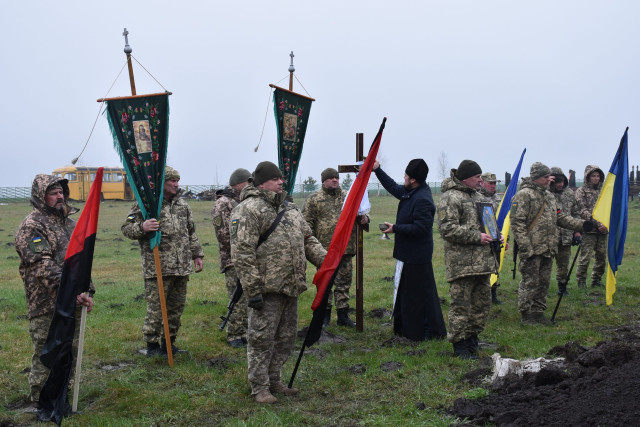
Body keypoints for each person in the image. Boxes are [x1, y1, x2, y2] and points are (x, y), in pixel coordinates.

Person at [230, 161, 326, 404]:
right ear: (262, 183)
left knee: (286, 338)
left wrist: (326, 261)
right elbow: (242, 252)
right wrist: (252, 289)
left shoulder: (290, 208)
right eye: (275, 179)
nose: (281, 182)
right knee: (261, 339)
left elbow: (307, 238)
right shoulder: (248, 210)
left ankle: (275, 380)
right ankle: (259, 387)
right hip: (266, 288)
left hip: (290, 285)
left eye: (281, 178)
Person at [15, 174, 94, 406]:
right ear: (41, 197)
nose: (59, 196)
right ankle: (43, 403)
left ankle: (63, 396)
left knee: (70, 349)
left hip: (73, 298)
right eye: (53, 193)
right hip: (45, 302)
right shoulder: (32, 226)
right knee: (47, 351)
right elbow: (42, 265)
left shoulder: (70, 224)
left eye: (61, 192)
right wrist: (71, 290)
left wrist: (87, 290)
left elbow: (82, 261)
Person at [122, 166, 204, 356]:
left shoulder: (183, 205)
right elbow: (126, 228)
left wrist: (197, 255)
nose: (176, 184)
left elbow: (190, 232)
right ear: (161, 183)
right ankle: (152, 345)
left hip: (181, 267)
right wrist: (142, 227)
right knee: (156, 308)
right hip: (158, 267)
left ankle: (169, 343)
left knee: (176, 307)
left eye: (177, 180)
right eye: (172, 181)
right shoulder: (146, 205)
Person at [373, 159, 447, 342]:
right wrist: (377, 170)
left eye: (406, 175)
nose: (404, 178)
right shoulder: (411, 192)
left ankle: (421, 333)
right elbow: (393, 188)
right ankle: (405, 329)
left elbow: (421, 228)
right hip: (408, 255)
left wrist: (395, 228)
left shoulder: (423, 199)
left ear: (413, 179)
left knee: (417, 298)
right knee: (407, 295)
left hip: (417, 257)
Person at [510, 162, 589, 326]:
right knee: (530, 282)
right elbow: (517, 224)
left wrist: (582, 225)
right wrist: (525, 247)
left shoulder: (549, 196)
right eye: (546, 177)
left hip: (548, 247)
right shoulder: (523, 195)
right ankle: (526, 315)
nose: (549, 180)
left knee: (544, 282)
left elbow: (560, 217)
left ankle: (538, 312)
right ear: (536, 177)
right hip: (532, 248)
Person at [437, 160, 499, 359]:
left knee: (482, 304)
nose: (481, 180)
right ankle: (459, 345)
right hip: (461, 263)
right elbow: (447, 229)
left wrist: (495, 235)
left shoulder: (479, 197)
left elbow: (488, 224)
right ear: (465, 178)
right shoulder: (450, 197)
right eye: (477, 177)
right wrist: (476, 237)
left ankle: (472, 338)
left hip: (482, 262)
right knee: (461, 305)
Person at [303, 167, 369, 328]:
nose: (335, 180)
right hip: (324, 250)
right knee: (325, 283)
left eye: (336, 178)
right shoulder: (314, 199)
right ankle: (324, 316)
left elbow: (361, 213)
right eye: (331, 178)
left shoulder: (348, 196)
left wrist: (366, 218)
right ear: (323, 181)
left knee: (344, 283)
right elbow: (307, 223)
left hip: (346, 247)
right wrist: (312, 246)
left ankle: (343, 316)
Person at [212, 168, 252, 348]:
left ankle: (246, 331)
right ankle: (234, 334)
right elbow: (225, 235)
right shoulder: (223, 204)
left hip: (248, 257)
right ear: (238, 183)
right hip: (232, 259)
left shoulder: (244, 201)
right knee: (237, 297)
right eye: (248, 183)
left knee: (249, 296)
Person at [574, 165, 609, 288]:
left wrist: (605, 224)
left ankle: (596, 280)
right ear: (587, 177)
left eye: (598, 176)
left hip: (603, 230)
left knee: (601, 257)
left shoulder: (603, 192)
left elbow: (608, 209)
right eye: (593, 176)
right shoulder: (581, 191)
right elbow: (582, 210)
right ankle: (581, 281)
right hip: (589, 230)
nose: (596, 178)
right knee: (585, 257)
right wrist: (597, 223)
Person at [549, 167, 582, 296]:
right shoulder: (544, 193)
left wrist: (577, 231)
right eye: (557, 181)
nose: (560, 184)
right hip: (549, 237)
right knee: (545, 265)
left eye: (562, 181)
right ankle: (541, 289)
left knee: (564, 264)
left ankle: (562, 287)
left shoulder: (569, 193)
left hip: (566, 236)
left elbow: (575, 213)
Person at [479, 172, 504, 305]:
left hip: (497, 238)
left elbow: (502, 221)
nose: (493, 185)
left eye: (495, 183)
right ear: (482, 183)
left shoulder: (497, 198)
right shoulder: (478, 197)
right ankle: (484, 295)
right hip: (484, 238)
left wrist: (506, 238)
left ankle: (493, 294)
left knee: (496, 266)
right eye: (490, 183)